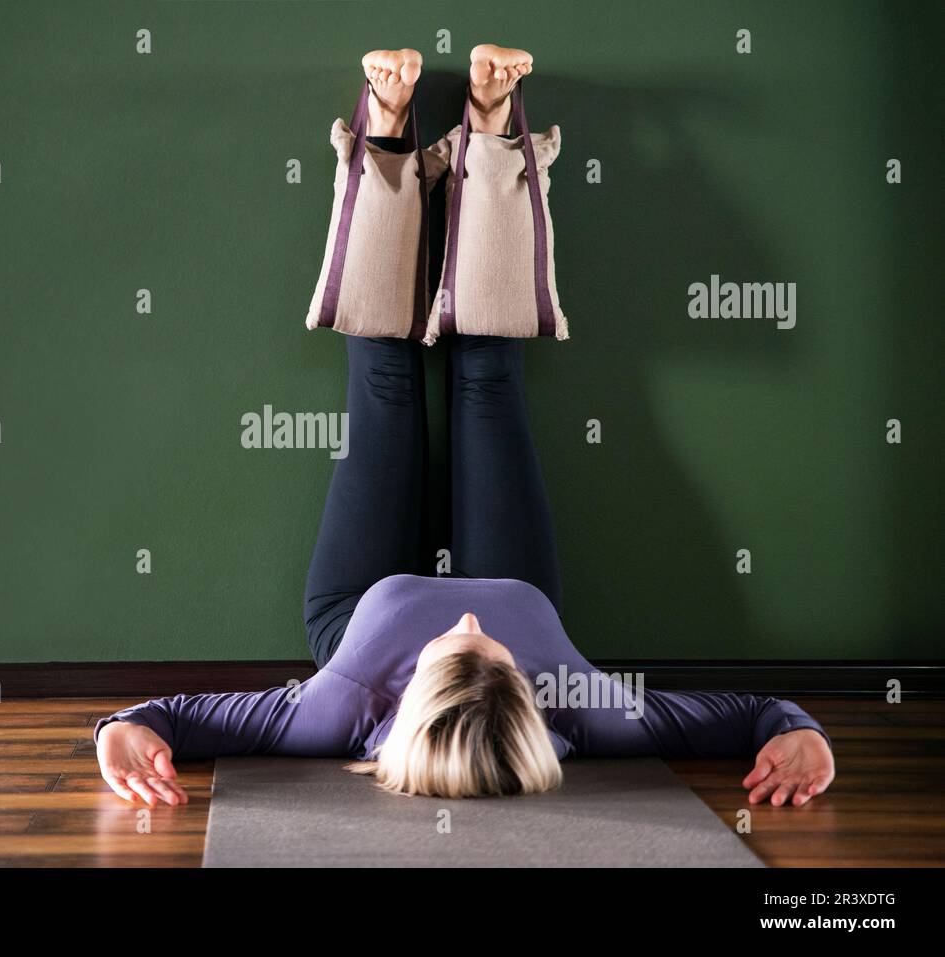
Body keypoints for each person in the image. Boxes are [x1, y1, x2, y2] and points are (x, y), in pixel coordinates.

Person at [94, 45, 836, 806]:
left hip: (360, 617)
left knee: (385, 389)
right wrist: (801, 734)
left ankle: (386, 133)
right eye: (499, 649)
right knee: (487, 386)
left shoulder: (335, 705)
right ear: (532, 691)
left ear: (403, 694)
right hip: (520, 581)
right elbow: (744, 714)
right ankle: (492, 125)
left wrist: (122, 729)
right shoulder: (578, 701)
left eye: (458, 641)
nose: (470, 613)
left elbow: (175, 717)